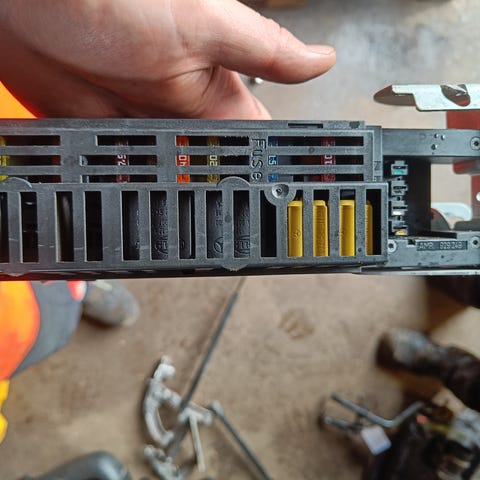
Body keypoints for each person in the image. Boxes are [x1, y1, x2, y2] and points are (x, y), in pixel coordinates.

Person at [0, 0, 336, 443]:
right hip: (14, 318)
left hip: (24, 109)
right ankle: (73, 288)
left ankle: (74, 278)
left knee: (65, 256)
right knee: (46, 318)